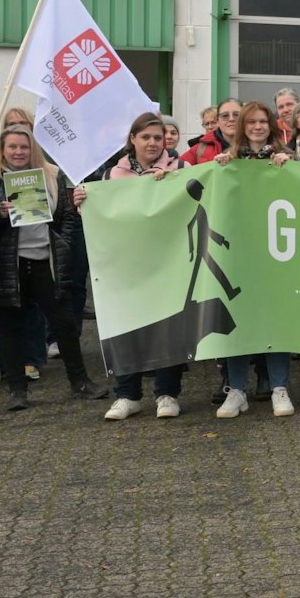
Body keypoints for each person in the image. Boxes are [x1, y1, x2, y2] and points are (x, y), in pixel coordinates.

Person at [0, 122, 107, 412]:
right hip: (8, 263)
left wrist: (63, 244)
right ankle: (17, 390)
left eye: (24, 146)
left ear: (33, 148)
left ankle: (80, 382)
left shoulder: (51, 174)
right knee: (11, 327)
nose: (18, 152)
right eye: (12, 146)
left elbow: (66, 216)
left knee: (64, 323)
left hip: (46, 260)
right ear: (2, 149)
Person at [204, 101, 297, 417]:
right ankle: (237, 389)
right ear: (242, 127)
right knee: (237, 321)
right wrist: (218, 169)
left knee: (276, 318)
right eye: (251, 122)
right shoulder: (227, 161)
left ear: (271, 125)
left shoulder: (286, 158)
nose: (257, 127)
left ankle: (279, 387)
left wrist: (291, 166)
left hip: (276, 255)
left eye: (263, 122)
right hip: (238, 254)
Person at [101, 113, 192, 420]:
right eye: (146, 137)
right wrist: (85, 201)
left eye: (158, 137)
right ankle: (127, 395)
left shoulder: (180, 169)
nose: (152, 143)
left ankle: (167, 394)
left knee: (166, 327)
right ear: (133, 139)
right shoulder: (111, 175)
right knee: (125, 327)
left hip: (168, 262)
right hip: (126, 264)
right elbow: (103, 214)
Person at [182, 99, 242, 165]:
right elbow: (177, 167)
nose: (231, 119)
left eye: (236, 115)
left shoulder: (251, 144)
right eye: (225, 116)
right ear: (218, 121)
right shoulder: (200, 149)